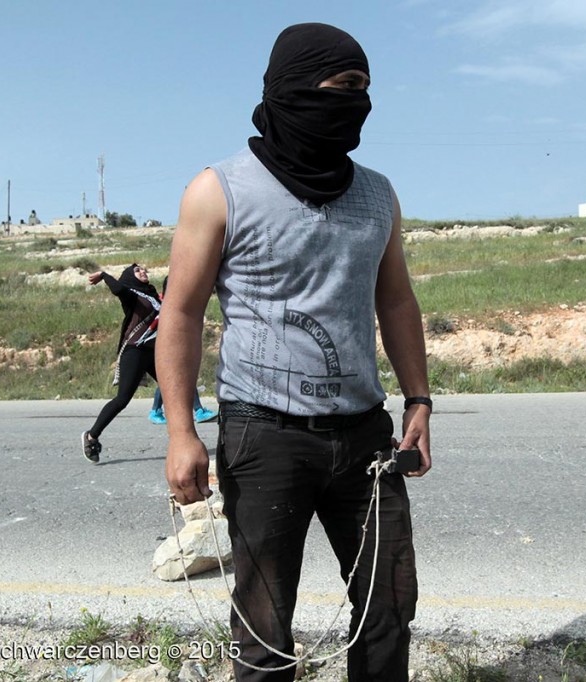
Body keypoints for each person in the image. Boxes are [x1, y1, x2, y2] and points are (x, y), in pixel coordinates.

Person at [157, 23, 432, 682]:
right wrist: (179, 431)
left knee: (389, 606)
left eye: (364, 89)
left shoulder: (378, 194)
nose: (356, 102)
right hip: (264, 436)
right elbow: (181, 313)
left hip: (365, 436)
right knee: (263, 627)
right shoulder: (218, 190)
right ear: (292, 88)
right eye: (342, 87)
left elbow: (395, 302)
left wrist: (418, 400)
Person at [81, 264, 161, 463]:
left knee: (174, 389)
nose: (143, 271)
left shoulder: (153, 295)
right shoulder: (131, 295)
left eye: (144, 269)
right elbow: (118, 289)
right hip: (134, 351)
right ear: (129, 277)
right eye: (137, 270)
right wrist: (104, 275)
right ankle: (91, 436)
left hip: (153, 353)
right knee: (122, 399)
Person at [148, 276, 217, 425]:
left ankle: (156, 410)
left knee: (175, 377)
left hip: (176, 344)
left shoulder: (171, 302)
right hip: (168, 346)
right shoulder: (165, 304)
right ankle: (198, 410)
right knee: (181, 376)